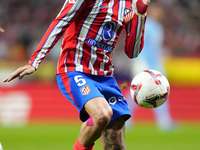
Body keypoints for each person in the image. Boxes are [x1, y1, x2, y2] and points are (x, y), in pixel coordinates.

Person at [4, 0, 150, 149]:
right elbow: (62, 20)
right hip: (75, 69)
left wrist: (141, 13)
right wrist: (34, 62)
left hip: (105, 76)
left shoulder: (130, 4)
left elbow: (132, 52)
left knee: (116, 144)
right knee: (102, 114)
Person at [125, 2, 175, 131]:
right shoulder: (146, 25)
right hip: (144, 63)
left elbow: (155, 48)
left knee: (159, 90)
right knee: (138, 92)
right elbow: (141, 45)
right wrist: (142, 63)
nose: (161, 13)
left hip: (155, 64)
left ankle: (164, 120)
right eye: (158, 11)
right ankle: (125, 116)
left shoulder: (157, 26)